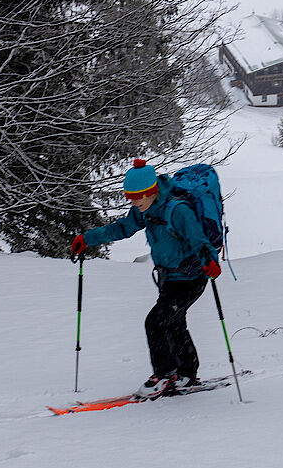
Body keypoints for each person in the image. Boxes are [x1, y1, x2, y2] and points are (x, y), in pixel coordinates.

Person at [71, 159, 222, 398]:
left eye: (139, 196)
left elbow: (198, 240)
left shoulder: (177, 209)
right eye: (131, 197)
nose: (135, 202)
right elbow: (122, 228)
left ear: (151, 191)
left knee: (155, 322)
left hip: (191, 277)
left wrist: (210, 262)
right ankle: (186, 374)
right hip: (168, 278)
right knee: (173, 323)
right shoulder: (146, 209)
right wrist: (87, 238)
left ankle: (164, 375)